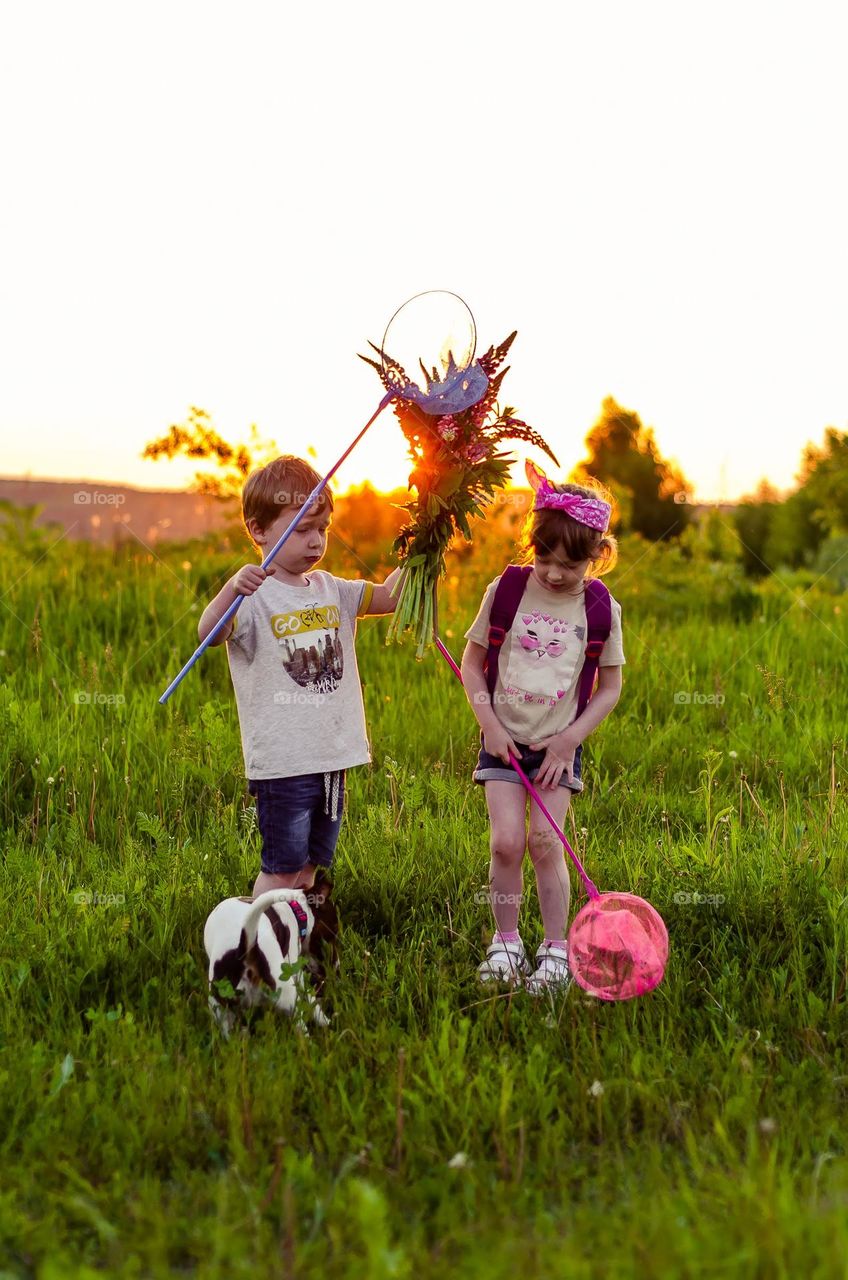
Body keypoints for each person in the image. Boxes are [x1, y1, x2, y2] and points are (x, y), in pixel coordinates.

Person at [197, 455, 402, 898]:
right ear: (258, 529)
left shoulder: (333, 589)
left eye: (323, 530)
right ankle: (262, 946)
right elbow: (209, 633)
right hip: (285, 763)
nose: (315, 542)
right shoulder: (253, 597)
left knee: (311, 865)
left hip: (331, 757)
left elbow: (387, 597)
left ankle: (297, 943)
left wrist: (422, 549)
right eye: (303, 529)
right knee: (282, 868)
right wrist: (232, 589)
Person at [461, 460, 625, 993]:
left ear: (597, 556)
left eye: (569, 565)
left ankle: (555, 950)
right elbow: (471, 662)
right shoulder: (506, 589)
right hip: (503, 738)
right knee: (506, 842)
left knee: (544, 844)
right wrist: (488, 724)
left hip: (557, 749)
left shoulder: (601, 608)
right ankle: (505, 943)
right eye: (544, 558)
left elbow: (609, 688)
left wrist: (569, 740)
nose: (554, 574)